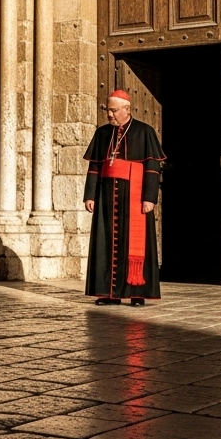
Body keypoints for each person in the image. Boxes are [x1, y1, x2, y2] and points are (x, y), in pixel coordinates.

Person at [83, 89, 165, 306]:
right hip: (106, 196)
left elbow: (153, 167)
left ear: (127, 109)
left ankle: (137, 293)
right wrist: (90, 195)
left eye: (114, 110)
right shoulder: (102, 134)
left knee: (134, 242)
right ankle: (109, 293)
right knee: (106, 241)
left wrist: (150, 197)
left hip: (135, 195)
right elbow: (95, 166)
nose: (110, 114)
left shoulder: (144, 131)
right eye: (108, 110)